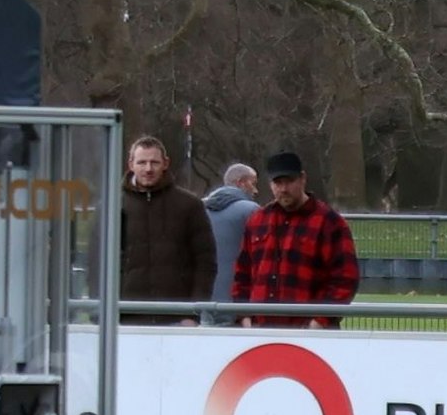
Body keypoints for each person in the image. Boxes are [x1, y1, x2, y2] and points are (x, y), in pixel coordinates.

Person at [232, 150, 360, 328]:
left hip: (310, 334)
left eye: (289, 181)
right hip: (261, 331)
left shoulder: (330, 223)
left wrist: (319, 321)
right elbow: (242, 274)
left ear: (302, 179)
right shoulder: (257, 221)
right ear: (270, 184)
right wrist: (244, 317)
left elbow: (345, 278)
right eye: (278, 183)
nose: (284, 189)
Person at [118, 135, 215, 324]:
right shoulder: (113, 205)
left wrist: (194, 312)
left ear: (165, 163)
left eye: (154, 162)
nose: (148, 169)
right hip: (125, 317)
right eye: (142, 162)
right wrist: (102, 313)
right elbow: (97, 263)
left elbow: (205, 262)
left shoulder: (190, 206)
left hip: (177, 317)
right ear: (131, 164)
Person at [202, 162, 259, 322]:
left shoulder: (198, 208)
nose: (256, 190)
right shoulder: (251, 210)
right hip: (238, 303)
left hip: (203, 301)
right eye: (253, 184)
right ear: (241, 182)